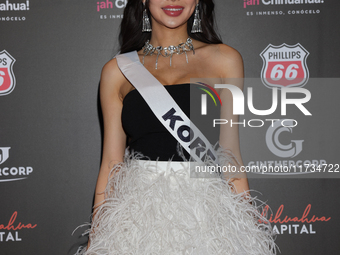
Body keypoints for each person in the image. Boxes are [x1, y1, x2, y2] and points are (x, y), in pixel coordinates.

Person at [76, 0, 277, 254]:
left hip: (205, 215)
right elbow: (110, 165)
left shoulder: (225, 60)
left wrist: (249, 236)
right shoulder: (117, 71)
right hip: (137, 218)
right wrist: (97, 240)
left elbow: (230, 155)